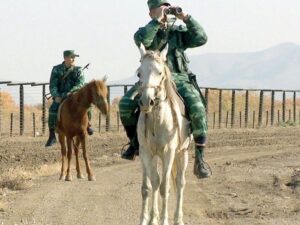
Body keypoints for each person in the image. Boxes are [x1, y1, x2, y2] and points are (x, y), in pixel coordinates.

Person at [119, 0, 211, 178]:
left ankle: (200, 160)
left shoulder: (178, 33)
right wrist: (157, 21)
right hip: (152, 80)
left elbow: (201, 38)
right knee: (125, 104)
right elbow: (142, 41)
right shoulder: (144, 32)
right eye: (160, 8)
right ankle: (134, 144)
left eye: (166, 8)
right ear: (151, 12)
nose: (165, 11)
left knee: (198, 108)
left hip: (179, 79)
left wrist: (185, 17)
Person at [45, 50, 94, 147]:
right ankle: (52, 135)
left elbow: (80, 83)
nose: (73, 59)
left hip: (74, 95)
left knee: (88, 106)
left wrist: (71, 91)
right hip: (61, 96)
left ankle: (88, 125)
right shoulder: (56, 69)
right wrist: (56, 95)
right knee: (52, 110)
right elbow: (53, 85)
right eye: (71, 57)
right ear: (65, 58)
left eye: (74, 57)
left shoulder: (78, 70)